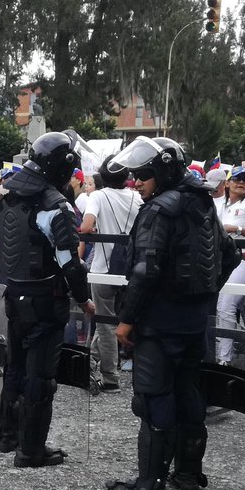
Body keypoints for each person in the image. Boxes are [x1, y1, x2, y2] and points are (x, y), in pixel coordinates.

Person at [104, 137, 239, 490]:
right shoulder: (202, 204)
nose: (136, 182)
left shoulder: (159, 210)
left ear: (161, 172)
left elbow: (145, 271)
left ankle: (149, 484)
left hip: (159, 324)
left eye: (143, 175)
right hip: (193, 322)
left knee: (153, 399)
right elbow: (231, 254)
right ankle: (188, 475)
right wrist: (204, 294)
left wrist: (127, 321)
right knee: (189, 393)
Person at [0, 132, 95, 467]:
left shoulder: (7, 197)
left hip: (14, 294)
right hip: (44, 299)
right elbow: (70, 261)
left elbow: (3, 251)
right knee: (40, 376)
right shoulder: (55, 205)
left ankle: (8, 437)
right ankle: (31, 450)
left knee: (15, 367)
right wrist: (84, 299)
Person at [80, 158, 143, 390]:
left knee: (105, 324)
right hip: (131, 270)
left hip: (103, 269)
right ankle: (90, 360)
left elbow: (86, 227)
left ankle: (110, 378)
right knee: (119, 319)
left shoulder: (97, 196)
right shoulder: (137, 196)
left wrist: (91, 230)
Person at [214, 168, 245, 366]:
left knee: (226, 305)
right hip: (224, 259)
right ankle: (222, 351)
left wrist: (238, 229)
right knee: (219, 305)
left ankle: (223, 358)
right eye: (236, 179)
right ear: (227, 183)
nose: (241, 182)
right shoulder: (221, 204)